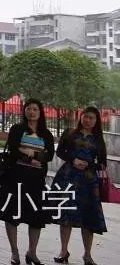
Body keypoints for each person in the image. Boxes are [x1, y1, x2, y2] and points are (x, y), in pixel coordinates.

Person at [0, 99, 55, 265]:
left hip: (36, 180)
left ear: (40, 112)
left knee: (36, 217)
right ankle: (14, 252)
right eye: (28, 108)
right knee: (11, 214)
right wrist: (30, 159)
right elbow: (13, 150)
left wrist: (32, 155)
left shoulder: (45, 133)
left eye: (35, 109)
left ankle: (32, 252)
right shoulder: (17, 129)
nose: (31, 112)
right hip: (14, 177)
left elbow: (49, 155)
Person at [50, 106, 107, 265]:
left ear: (96, 121)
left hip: (88, 182)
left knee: (88, 217)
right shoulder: (70, 133)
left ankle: (87, 255)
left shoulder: (98, 139)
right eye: (85, 116)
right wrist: (73, 159)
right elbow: (60, 152)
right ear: (80, 117)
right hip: (68, 177)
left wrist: (89, 164)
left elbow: (102, 163)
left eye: (91, 118)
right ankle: (63, 251)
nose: (87, 120)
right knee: (65, 215)